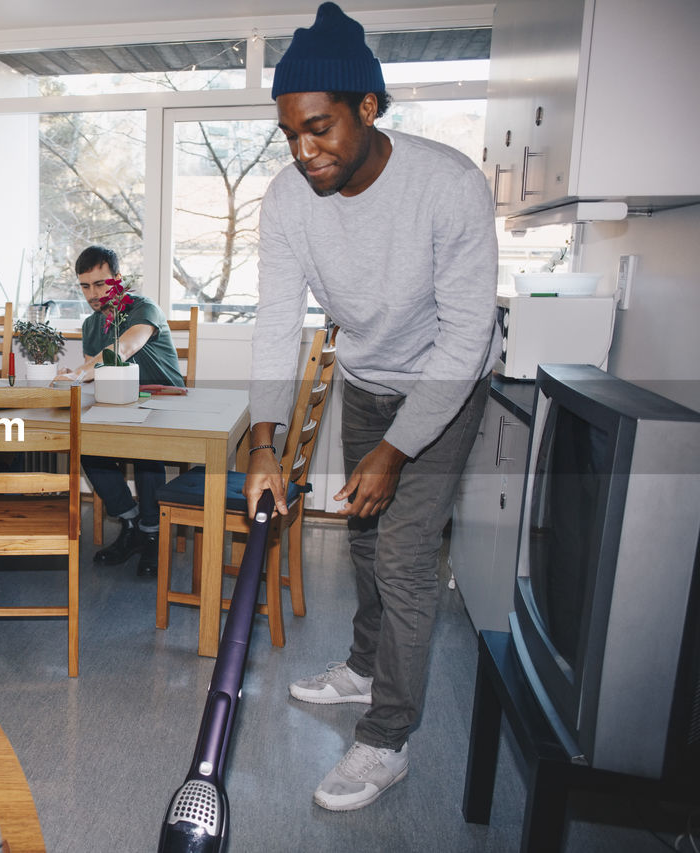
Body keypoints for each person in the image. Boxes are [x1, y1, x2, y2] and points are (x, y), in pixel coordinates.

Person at [243, 2, 501, 812]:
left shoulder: (450, 186)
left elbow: (465, 341)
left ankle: (386, 738)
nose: (304, 150)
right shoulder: (289, 201)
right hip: (366, 378)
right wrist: (262, 444)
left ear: (368, 106)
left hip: (444, 389)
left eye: (318, 127)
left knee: (403, 556)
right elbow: (277, 326)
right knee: (362, 537)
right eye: (289, 134)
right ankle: (362, 665)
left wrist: (396, 450)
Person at [56, 245, 184, 578]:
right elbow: (96, 373)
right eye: (85, 286)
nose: (93, 294)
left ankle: (151, 531)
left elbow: (124, 348)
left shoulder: (144, 308)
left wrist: (81, 372)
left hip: (165, 401)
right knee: (83, 443)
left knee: (144, 448)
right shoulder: (90, 325)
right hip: (120, 402)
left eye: (100, 284)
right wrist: (74, 376)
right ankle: (129, 522)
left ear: (118, 280)